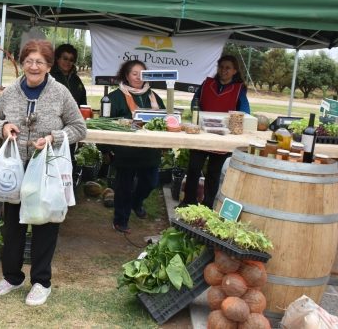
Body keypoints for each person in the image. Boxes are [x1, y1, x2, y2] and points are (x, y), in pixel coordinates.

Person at [0, 39, 86, 307]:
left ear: (49, 66)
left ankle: (41, 282)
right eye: (29, 61)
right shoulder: (10, 92)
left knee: (45, 224)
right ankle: (11, 277)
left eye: (39, 62)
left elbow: (79, 127)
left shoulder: (61, 93)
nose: (33, 66)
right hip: (16, 169)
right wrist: (4, 127)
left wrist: (53, 137)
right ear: (22, 63)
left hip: (46, 169)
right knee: (13, 226)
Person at [179, 54, 250, 209]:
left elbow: (245, 111)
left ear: (235, 71)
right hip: (202, 134)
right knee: (193, 168)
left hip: (222, 139)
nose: (224, 70)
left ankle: (207, 205)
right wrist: (199, 115)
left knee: (214, 173)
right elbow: (195, 103)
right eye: (221, 67)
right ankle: (188, 202)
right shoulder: (207, 83)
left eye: (228, 68)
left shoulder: (239, 89)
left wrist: (233, 122)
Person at [105, 60, 165, 233]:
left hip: (149, 151)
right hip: (126, 152)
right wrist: (106, 150)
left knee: (150, 182)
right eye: (134, 73)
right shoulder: (115, 97)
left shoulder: (153, 97)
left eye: (142, 74)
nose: (139, 77)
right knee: (124, 187)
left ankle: (137, 202)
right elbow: (107, 123)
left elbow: (163, 119)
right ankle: (120, 220)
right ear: (126, 75)